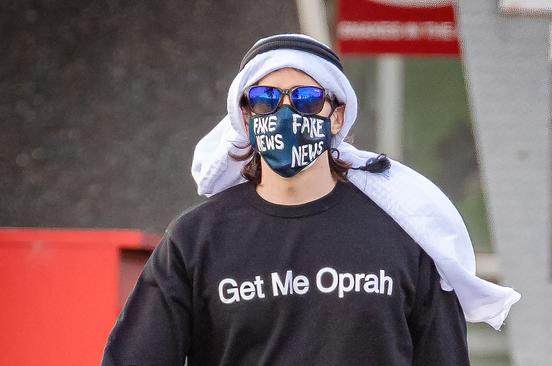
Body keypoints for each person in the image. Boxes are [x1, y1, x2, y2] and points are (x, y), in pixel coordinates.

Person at [102, 34, 519, 365]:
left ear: (337, 115)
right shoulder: (196, 241)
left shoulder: (403, 236)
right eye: (266, 100)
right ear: (245, 117)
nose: (285, 114)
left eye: (305, 99)